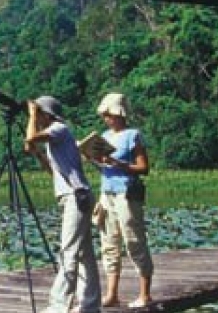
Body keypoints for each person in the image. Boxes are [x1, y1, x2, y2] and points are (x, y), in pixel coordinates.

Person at [24, 95, 101, 313]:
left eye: (39, 113)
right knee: (84, 253)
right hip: (77, 196)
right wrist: (38, 155)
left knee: (68, 251)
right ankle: (90, 304)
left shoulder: (58, 129)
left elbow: (31, 136)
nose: (36, 118)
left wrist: (32, 114)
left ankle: (59, 307)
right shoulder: (56, 138)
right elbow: (54, 172)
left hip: (76, 197)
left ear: (46, 114)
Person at [89, 92, 153, 308]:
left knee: (134, 241)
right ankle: (111, 294)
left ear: (119, 114)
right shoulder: (105, 136)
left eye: (109, 114)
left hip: (126, 194)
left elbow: (143, 167)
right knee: (109, 243)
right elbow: (105, 168)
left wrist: (119, 164)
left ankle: (144, 294)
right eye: (104, 115)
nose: (106, 118)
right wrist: (93, 159)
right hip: (107, 194)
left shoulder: (132, 135)